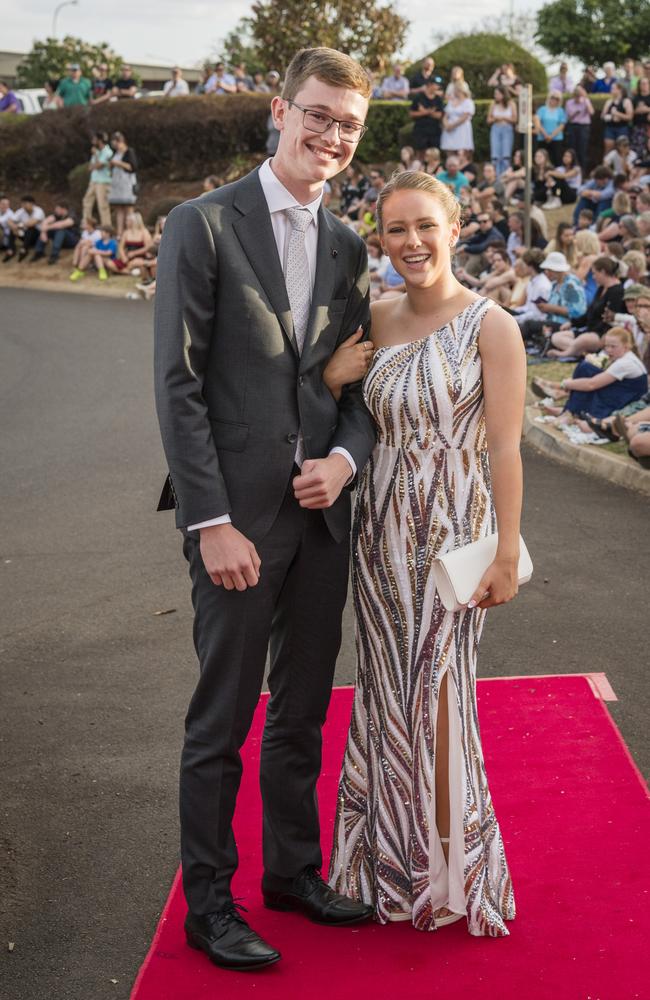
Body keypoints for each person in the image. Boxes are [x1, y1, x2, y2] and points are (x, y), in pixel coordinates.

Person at [153, 46, 377, 973]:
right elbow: (180, 384)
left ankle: (293, 872)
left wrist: (343, 460)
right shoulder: (199, 226)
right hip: (235, 522)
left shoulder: (349, 245)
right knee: (223, 719)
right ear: (280, 111)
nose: (330, 136)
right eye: (318, 115)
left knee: (302, 712)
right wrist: (210, 522)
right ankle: (210, 903)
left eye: (348, 126)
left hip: (322, 520)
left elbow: (358, 391)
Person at [325, 169, 524, 934]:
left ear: (455, 228)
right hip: (378, 533)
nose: (411, 243)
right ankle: (388, 866)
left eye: (425, 227)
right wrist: (334, 374)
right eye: (395, 230)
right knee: (384, 691)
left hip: (454, 537)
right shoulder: (372, 319)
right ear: (381, 238)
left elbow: (505, 448)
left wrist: (506, 553)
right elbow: (335, 408)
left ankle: (455, 874)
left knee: (439, 694)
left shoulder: (491, 325)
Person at [535, 326, 647, 423]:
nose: (608, 350)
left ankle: (568, 407)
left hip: (622, 401)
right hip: (620, 394)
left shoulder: (625, 363)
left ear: (626, 346)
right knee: (587, 367)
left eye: (613, 347)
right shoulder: (626, 356)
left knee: (585, 370)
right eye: (606, 346)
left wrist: (565, 384)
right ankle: (568, 410)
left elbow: (591, 384)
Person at [108, 132, 138, 236]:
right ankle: (120, 233)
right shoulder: (115, 154)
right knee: (119, 209)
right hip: (117, 184)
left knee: (129, 208)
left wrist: (118, 163)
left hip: (127, 183)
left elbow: (132, 167)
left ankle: (132, 232)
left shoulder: (129, 152)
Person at [82, 132, 113, 228]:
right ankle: (86, 224)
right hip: (94, 180)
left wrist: (96, 155)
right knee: (87, 201)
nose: (92, 141)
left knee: (102, 205)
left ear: (99, 140)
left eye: (94, 139)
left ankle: (106, 227)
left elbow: (99, 165)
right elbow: (90, 167)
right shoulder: (97, 151)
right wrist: (95, 162)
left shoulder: (108, 151)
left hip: (103, 182)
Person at [487, 86, 517, 176]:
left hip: (507, 129)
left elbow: (515, 119)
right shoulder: (493, 104)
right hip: (496, 129)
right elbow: (488, 120)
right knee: (495, 155)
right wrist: (495, 119)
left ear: (503, 94)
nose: (495, 96)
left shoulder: (511, 103)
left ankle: (505, 176)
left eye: (497, 94)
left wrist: (504, 117)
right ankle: (496, 176)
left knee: (506, 155)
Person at [410, 78, 444, 155]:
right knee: (420, 153)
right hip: (420, 130)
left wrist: (425, 111)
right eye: (436, 85)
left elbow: (439, 115)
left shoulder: (438, 99)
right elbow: (412, 113)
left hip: (434, 131)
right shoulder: (418, 98)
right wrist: (429, 112)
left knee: (434, 153)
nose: (438, 87)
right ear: (429, 84)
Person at [565, 85, 595, 171]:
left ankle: (582, 171)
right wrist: (575, 113)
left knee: (582, 150)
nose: (578, 98)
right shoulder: (569, 102)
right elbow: (568, 118)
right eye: (576, 96)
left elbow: (591, 112)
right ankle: (571, 169)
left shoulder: (586, 101)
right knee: (572, 150)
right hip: (573, 126)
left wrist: (585, 100)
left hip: (583, 127)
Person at [7, 195, 45, 260]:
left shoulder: (39, 211)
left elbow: (31, 223)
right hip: (25, 235)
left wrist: (18, 226)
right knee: (12, 230)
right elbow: (9, 221)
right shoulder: (21, 211)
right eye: (22, 203)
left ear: (32, 203)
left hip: (38, 236)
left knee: (31, 228)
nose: (23, 205)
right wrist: (14, 227)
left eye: (25, 203)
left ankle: (24, 250)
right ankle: (11, 250)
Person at [533, 91, 567, 165]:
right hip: (542, 138)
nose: (554, 100)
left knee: (556, 158)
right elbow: (538, 122)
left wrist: (551, 136)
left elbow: (562, 125)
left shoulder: (560, 111)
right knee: (541, 157)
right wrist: (545, 135)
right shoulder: (542, 109)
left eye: (557, 99)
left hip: (556, 139)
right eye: (553, 98)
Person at [441, 83, 475, 154]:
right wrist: (446, 125)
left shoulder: (468, 102)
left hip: (461, 129)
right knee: (449, 150)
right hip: (449, 129)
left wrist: (452, 125)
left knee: (461, 151)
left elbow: (465, 116)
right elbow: (445, 115)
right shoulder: (451, 101)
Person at [601, 83, 634, 153]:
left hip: (622, 128)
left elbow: (630, 117)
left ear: (619, 90)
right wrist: (610, 117)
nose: (611, 90)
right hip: (610, 128)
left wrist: (617, 114)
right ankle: (607, 163)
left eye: (613, 88)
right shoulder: (609, 102)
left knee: (622, 149)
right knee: (608, 149)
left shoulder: (626, 101)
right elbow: (602, 116)